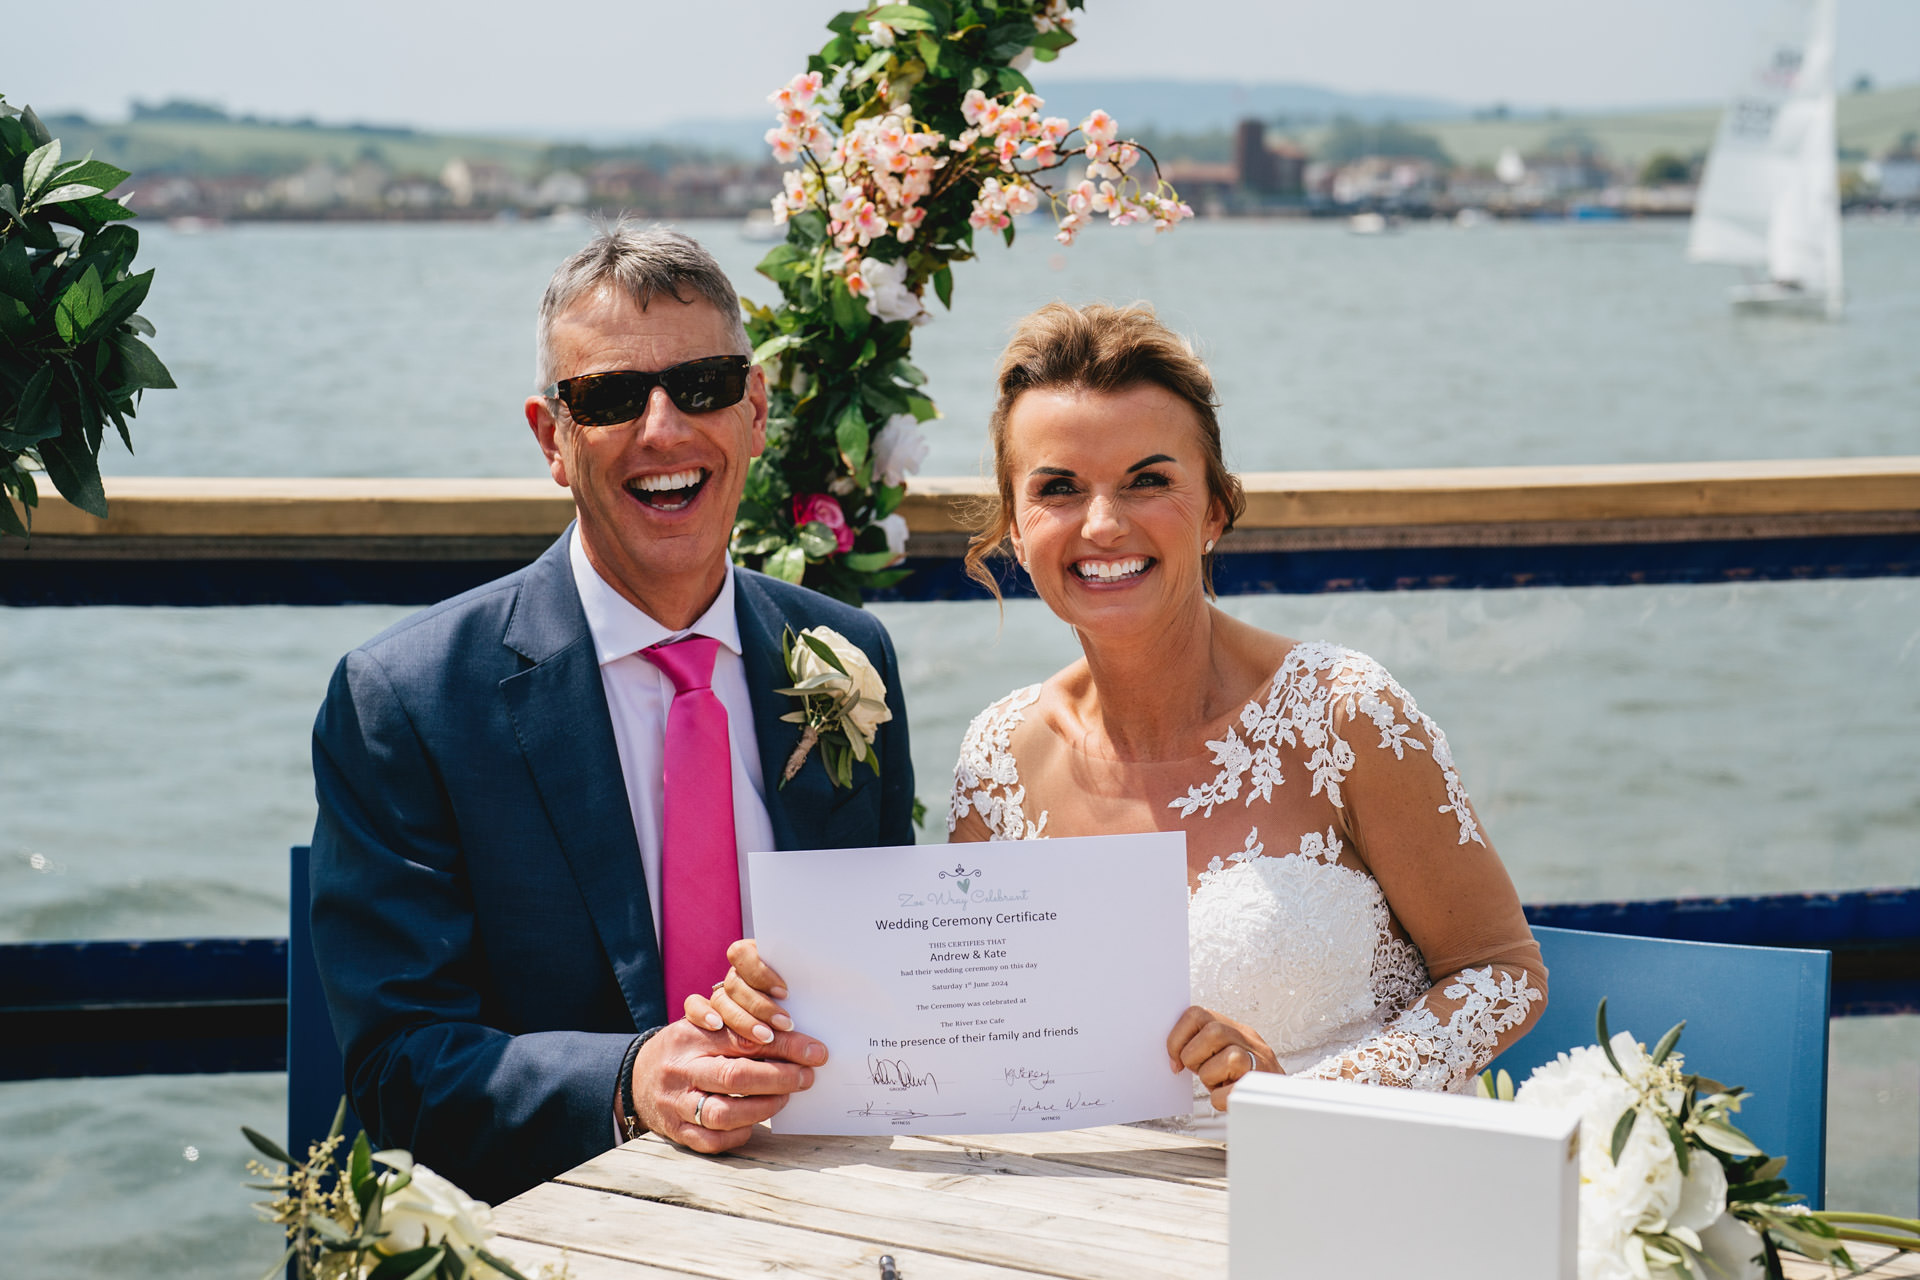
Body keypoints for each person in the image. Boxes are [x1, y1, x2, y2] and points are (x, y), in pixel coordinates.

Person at [308, 224, 915, 1205]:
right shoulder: (407, 701)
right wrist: (634, 1084)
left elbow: (891, 981)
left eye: (704, 385)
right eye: (611, 397)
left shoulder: (848, 658)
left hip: (833, 1203)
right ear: (552, 438)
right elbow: (400, 1069)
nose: (665, 429)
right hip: (564, 1225)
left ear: (755, 410)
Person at [944, 301, 1546, 1116]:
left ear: (1216, 510)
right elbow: (980, 1025)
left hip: (1352, 1179)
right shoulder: (997, 759)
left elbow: (1502, 976)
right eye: (1057, 489)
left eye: (1148, 481)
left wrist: (1299, 1103)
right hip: (1098, 1206)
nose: (1104, 523)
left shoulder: (1345, 715)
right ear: (1016, 529)